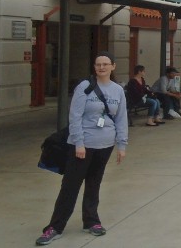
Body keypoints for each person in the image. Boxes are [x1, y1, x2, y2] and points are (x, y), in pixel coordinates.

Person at [36, 51, 128, 245]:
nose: (101, 67)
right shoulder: (85, 87)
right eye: (98, 64)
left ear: (113, 66)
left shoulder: (117, 90)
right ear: (94, 67)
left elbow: (121, 118)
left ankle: (91, 221)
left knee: (94, 183)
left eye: (105, 64)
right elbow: (75, 116)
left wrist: (122, 144)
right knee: (70, 186)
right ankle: (55, 226)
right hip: (83, 145)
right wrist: (79, 143)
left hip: (105, 145)